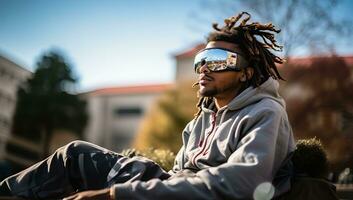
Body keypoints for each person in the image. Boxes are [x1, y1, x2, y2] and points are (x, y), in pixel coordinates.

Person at [0, 12, 295, 200]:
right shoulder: (200, 121)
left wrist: (117, 194)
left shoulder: (265, 112)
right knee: (75, 154)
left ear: (246, 71)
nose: (205, 68)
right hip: (176, 188)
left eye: (218, 60)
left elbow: (240, 184)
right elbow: (177, 177)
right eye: (200, 61)